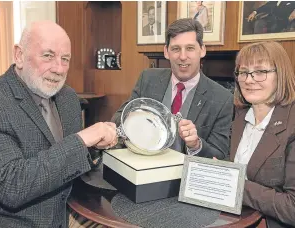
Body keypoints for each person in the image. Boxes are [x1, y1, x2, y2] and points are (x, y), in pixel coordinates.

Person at [0, 21, 118, 228]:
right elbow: (10, 187)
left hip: (72, 211)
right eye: (48, 56)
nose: (59, 69)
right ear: (19, 55)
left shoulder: (68, 97)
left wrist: (95, 147)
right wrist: (82, 140)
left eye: (65, 59)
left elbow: (73, 161)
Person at [112, 18, 233, 159]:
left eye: (190, 48)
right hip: (143, 165)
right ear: (166, 52)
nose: (182, 56)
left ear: (202, 50)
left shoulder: (222, 99)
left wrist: (196, 144)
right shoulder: (148, 78)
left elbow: (220, 155)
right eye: (176, 49)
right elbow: (118, 118)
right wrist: (133, 121)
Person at [231, 41, 295, 228]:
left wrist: (237, 185)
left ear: (280, 74)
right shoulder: (239, 115)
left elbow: (293, 208)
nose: (249, 80)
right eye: (243, 72)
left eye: (260, 71)